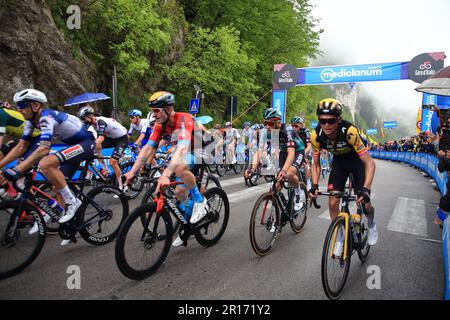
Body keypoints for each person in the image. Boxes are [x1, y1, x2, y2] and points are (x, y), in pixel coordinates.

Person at [1, 89, 96, 245]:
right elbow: (20, 147)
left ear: (35, 106)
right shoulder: (31, 122)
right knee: (56, 183)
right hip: (74, 145)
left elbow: (44, 149)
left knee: (46, 163)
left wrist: (17, 169)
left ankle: (72, 202)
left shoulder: (46, 117)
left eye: (22, 105)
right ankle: (70, 225)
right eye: (17, 106)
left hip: (86, 143)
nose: (18, 109)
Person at [123, 91, 208, 247]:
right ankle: (187, 224)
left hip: (202, 147)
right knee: (179, 192)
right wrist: (132, 172)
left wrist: (166, 174)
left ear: (168, 108)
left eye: (156, 110)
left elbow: (182, 149)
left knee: (179, 169)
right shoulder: (159, 125)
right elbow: (147, 149)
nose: (153, 115)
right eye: (151, 111)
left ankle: (200, 201)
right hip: (187, 150)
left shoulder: (184, 119)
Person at [308, 98, 378, 257]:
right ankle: (339, 237)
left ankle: (372, 223)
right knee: (333, 202)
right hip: (339, 162)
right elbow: (316, 164)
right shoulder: (316, 135)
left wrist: (366, 189)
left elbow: (370, 163)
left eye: (331, 121)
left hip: (357, 161)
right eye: (322, 121)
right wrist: (314, 185)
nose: (326, 125)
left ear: (338, 120)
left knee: (366, 205)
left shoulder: (350, 132)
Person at [245, 108, 306, 212]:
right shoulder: (265, 131)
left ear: (278, 122)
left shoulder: (288, 130)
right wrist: (252, 168)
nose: (267, 126)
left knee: (289, 174)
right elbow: (259, 151)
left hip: (297, 151)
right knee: (276, 187)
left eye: (270, 123)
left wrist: (283, 171)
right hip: (283, 151)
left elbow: (291, 153)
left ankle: (298, 193)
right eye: (265, 123)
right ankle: (278, 215)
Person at [77, 106, 129, 190]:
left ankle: (121, 186)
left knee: (112, 162)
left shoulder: (100, 122)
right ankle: (105, 169)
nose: (84, 121)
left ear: (90, 116)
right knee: (97, 147)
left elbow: (101, 138)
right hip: (112, 138)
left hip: (122, 139)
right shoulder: (92, 124)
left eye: (84, 118)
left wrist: (89, 148)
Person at [291, 116, 312, 190]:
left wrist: (303, 155)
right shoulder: (290, 132)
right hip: (296, 150)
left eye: (296, 126)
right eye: (292, 125)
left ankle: (309, 184)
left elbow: (309, 146)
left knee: (305, 163)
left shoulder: (305, 131)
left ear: (301, 125)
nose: (294, 128)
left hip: (306, 149)